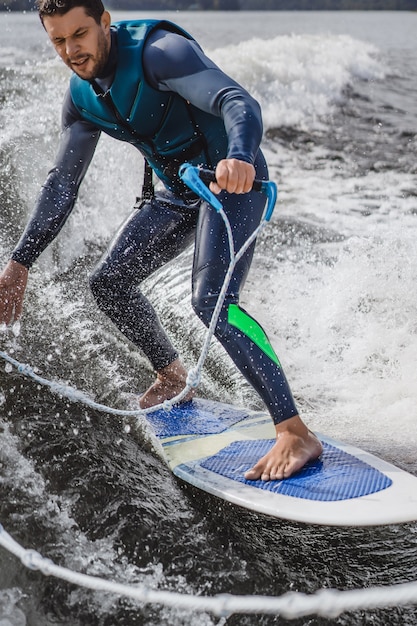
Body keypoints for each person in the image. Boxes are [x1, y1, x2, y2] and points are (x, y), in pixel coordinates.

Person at [0, 0, 322, 480]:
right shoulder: (82, 98)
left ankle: (294, 431)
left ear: (104, 23)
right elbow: (63, 184)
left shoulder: (159, 53)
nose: (71, 50)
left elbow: (238, 102)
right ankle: (172, 375)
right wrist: (19, 263)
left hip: (231, 183)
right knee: (109, 283)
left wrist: (239, 156)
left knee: (213, 301)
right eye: (58, 40)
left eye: (80, 34)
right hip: (177, 192)